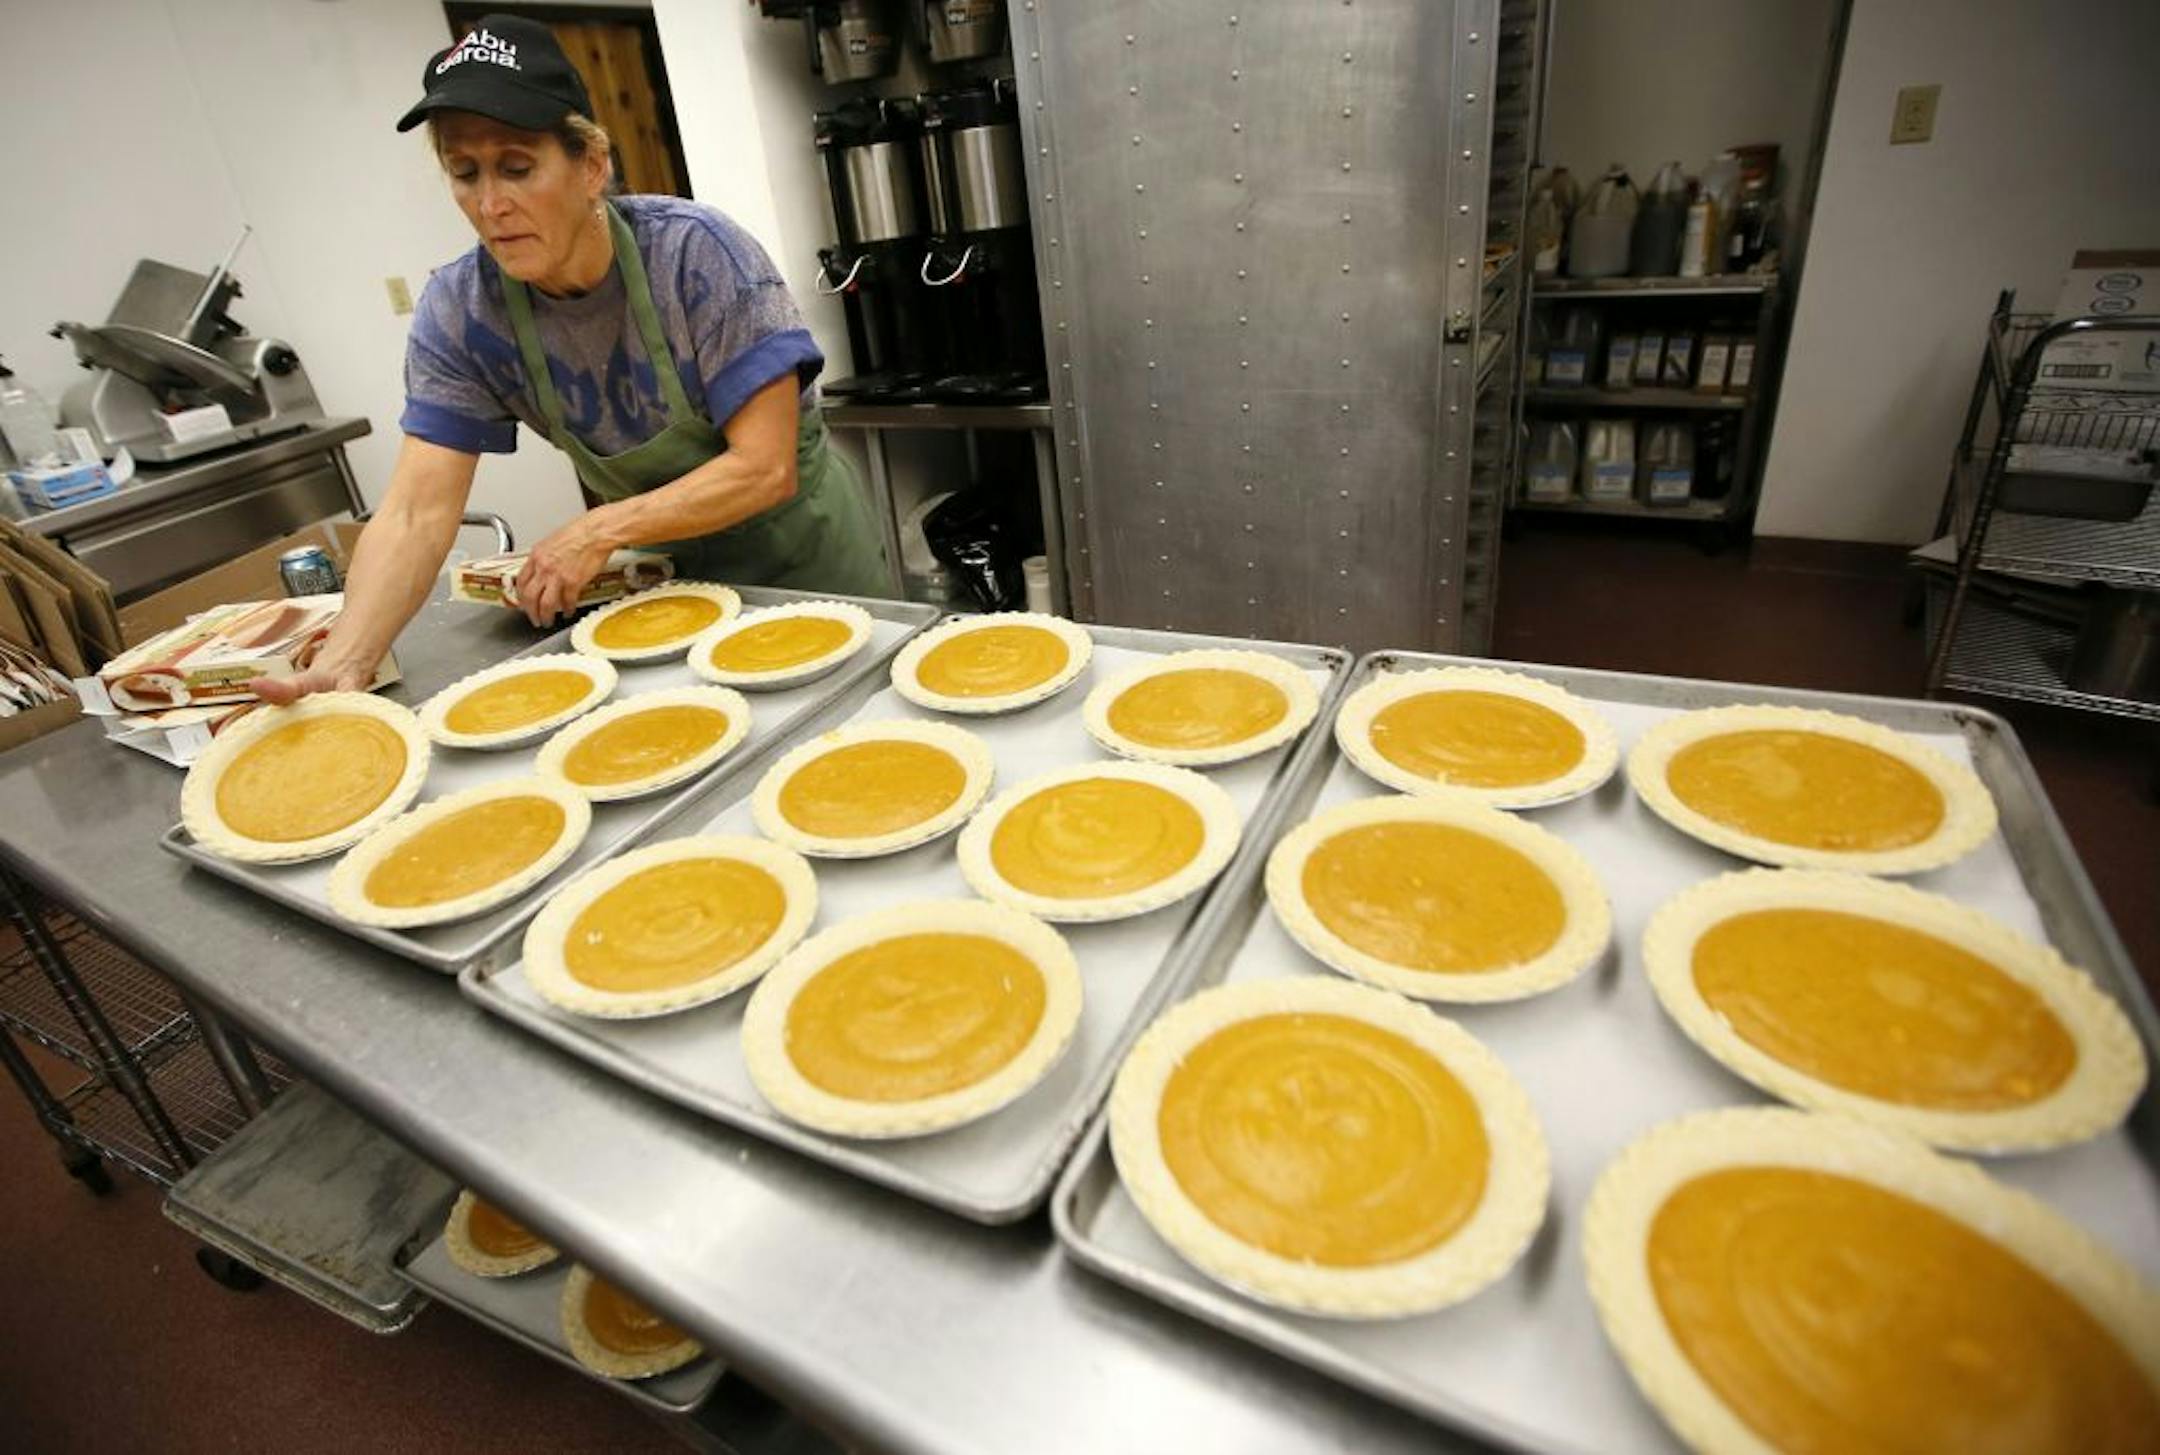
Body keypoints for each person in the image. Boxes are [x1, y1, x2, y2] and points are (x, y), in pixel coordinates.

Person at [258, 14, 885, 702]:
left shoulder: (697, 255)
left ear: (591, 166)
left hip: (807, 570)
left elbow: (764, 467)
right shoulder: (463, 310)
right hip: (673, 592)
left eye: (517, 168)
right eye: (464, 173)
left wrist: (598, 528)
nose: (490, 205)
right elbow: (414, 513)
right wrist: (346, 659)